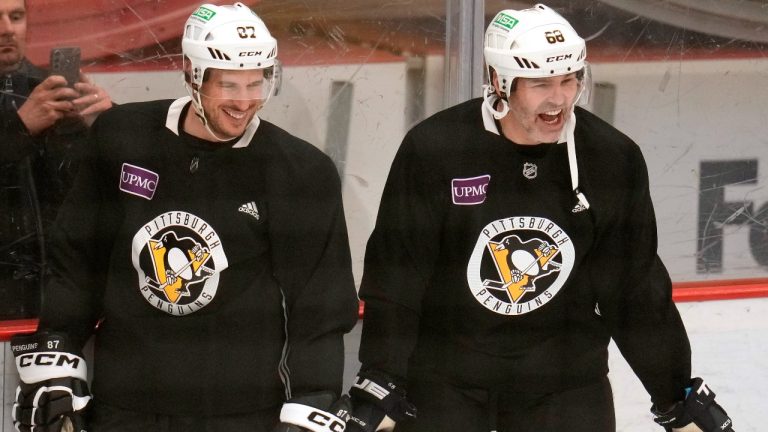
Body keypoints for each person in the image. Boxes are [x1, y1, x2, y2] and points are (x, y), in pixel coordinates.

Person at [346, 4, 733, 432]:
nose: (559, 99)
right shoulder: (436, 149)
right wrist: (381, 377)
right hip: (447, 379)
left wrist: (677, 393)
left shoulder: (609, 158)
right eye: (541, 83)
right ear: (499, 81)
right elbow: (398, 277)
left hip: (564, 383)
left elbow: (634, 289)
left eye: (570, 80)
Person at [10, 3, 358, 432]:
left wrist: (313, 403)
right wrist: (57, 357)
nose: (245, 101)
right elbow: (78, 262)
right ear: (193, 74)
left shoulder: (300, 171)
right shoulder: (123, 137)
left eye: (256, 83)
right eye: (228, 85)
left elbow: (318, 308)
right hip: (125, 408)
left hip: (241, 415)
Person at [1, 0, 113, 320]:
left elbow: (94, 187)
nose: (7, 28)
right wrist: (19, 128)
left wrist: (105, 121)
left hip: (52, 285)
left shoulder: (51, 89)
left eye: (17, 16)